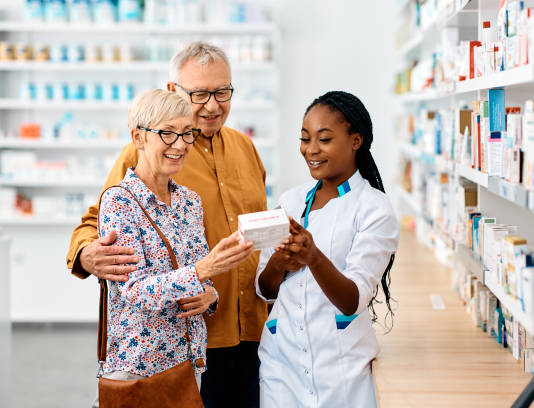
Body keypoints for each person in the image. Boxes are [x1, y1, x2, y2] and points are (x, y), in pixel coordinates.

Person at [67, 42, 267, 407]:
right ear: (173, 90)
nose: (212, 104)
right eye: (200, 93)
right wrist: (85, 255)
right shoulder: (145, 151)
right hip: (168, 348)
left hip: (246, 328)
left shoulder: (245, 149)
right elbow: (96, 221)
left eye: (222, 92)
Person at [94, 89, 253, 405]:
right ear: (138, 138)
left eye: (186, 134)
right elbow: (134, 291)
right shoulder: (119, 202)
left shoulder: (189, 202)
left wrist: (210, 295)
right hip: (137, 369)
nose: (180, 145)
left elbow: (202, 283)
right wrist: (203, 270)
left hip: (188, 364)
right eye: (167, 133)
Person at [256, 91, 399, 408]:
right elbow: (266, 290)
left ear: (355, 141)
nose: (311, 150)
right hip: (281, 365)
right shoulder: (290, 201)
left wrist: (313, 258)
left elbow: (353, 300)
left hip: (341, 370)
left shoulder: (375, 209)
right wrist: (280, 260)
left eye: (324, 139)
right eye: (305, 139)